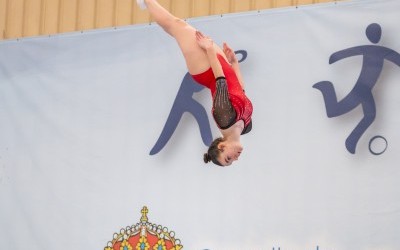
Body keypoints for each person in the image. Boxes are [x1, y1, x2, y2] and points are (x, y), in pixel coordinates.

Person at [136, 0, 253, 166]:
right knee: (176, 27)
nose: (235, 158)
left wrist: (210, 50)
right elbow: (241, 91)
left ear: (221, 145)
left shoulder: (224, 119)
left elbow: (220, 82)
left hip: (206, 69)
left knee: (176, 26)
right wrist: (234, 63)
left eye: (228, 158)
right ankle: (148, 4)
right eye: (231, 161)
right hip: (222, 65)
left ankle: (146, 1)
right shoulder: (246, 127)